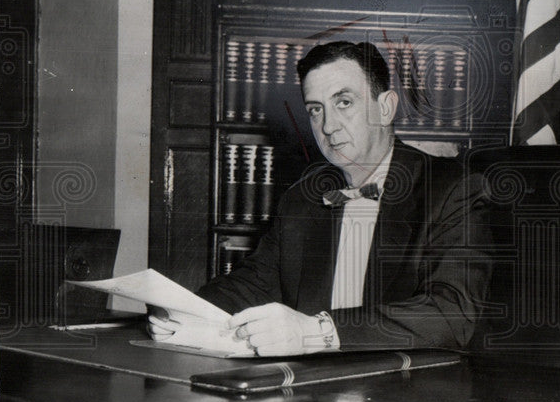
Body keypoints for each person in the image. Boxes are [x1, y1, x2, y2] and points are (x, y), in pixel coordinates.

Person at [149, 40, 491, 356]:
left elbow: (451, 313)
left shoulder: (452, 189)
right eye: (315, 109)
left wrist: (314, 332)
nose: (328, 126)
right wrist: (185, 310)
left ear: (385, 108)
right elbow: (252, 283)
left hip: (409, 398)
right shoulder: (303, 198)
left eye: (344, 102)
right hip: (313, 390)